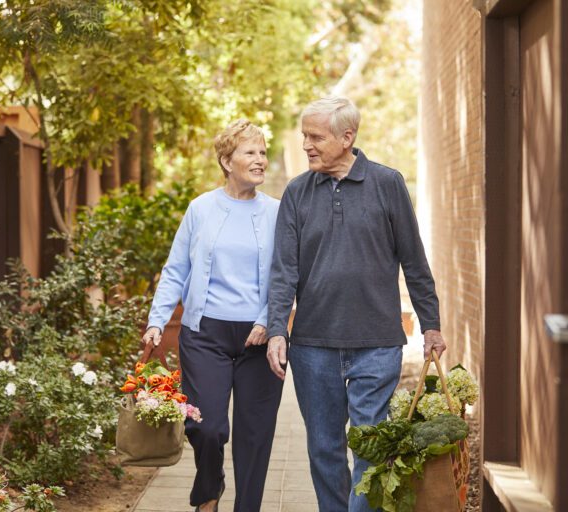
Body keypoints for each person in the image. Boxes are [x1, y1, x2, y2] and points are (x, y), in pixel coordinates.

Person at [266, 96, 447, 512]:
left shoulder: (387, 183)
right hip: (313, 345)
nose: (307, 145)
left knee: (369, 445)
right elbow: (283, 271)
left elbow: (414, 260)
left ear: (347, 138)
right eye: (304, 136)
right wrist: (278, 329)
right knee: (324, 449)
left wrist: (431, 324)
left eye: (316, 137)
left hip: (377, 342)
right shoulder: (296, 192)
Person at [143, 119, 282, 512]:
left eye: (262, 152)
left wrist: (268, 320)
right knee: (207, 428)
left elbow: (289, 274)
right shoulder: (201, 209)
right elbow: (176, 270)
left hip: (260, 339)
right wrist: (157, 321)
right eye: (249, 152)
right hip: (205, 334)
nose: (260, 160)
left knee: (254, 438)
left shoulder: (276, 211)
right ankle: (210, 488)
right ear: (226, 160)